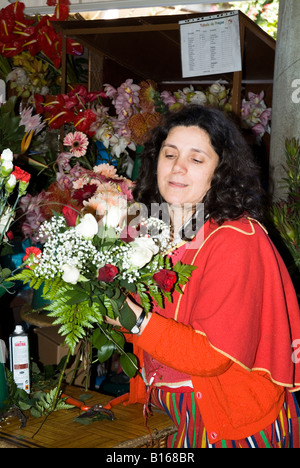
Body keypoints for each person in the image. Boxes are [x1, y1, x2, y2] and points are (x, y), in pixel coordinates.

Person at [107, 104, 300, 448]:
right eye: (170, 154)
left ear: (220, 171)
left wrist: (132, 318)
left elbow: (210, 356)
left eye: (196, 159)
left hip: (227, 418)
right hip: (166, 410)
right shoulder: (150, 226)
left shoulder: (236, 240)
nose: (178, 167)